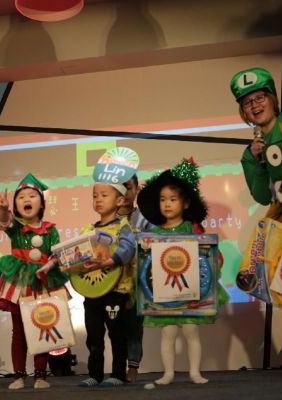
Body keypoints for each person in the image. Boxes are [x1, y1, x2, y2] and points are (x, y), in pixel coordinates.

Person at [230, 56, 282, 379]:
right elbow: (263, 196)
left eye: (259, 97)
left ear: (273, 98)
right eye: (247, 102)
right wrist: (255, 160)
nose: (254, 105)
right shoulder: (251, 151)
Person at [137, 158, 228, 387]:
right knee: (168, 334)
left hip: (192, 291)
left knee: (190, 332)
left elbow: (210, 254)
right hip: (165, 294)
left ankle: (195, 372)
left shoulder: (192, 229)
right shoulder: (155, 233)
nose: (167, 204)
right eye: (162, 200)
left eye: (173, 199)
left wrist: (214, 262)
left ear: (185, 203)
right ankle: (168, 373)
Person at [0, 173, 67, 390]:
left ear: (42, 203)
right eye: (21, 196)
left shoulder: (50, 229)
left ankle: (40, 376)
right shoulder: (16, 227)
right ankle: (19, 376)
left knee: (42, 327)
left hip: (42, 282)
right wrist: (3, 208)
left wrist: (49, 265)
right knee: (19, 332)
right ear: (16, 205)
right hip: (20, 281)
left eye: (32, 196)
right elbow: (4, 221)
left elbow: (56, 254)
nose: (27, 199)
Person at [76, 181, 136, 387]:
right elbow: (76, 254)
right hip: (93, 291)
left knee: (117, 334)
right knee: (94, 336)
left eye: (104, 195)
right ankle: (95, 374)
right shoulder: (89, 229)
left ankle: (118, 374)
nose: (98, 200)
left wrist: (110, 261)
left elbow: (128, 249)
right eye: (95, 196)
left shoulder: (123, 226)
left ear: (120, 200)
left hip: (116, 290)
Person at [117, 174, 153, 382]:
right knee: (114, 328)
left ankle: (133, 366)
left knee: (134, 326)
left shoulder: (144, 218)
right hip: (112, 283)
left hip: (136, 282)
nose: (124, 192)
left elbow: (156, 242)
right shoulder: (106, 219)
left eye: (128, 187)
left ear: (137, 189)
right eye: (119, 187)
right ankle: (116, 368)